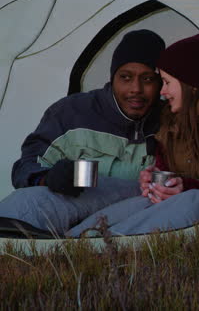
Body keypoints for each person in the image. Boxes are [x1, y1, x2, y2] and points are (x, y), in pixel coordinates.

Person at [66, 33, 199, 237]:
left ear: (190, 83)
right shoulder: (171, 123)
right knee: (142, 201)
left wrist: (186, 187)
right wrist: (153, 179)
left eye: (166, 82)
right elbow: (166, 171)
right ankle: (76, 240)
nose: (162, 91)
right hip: (185, 204)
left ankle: (112, 247)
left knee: (194, 200)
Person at [0, 29, 165, 236]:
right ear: (112, 77)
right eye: (125, 77)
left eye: (148, 79)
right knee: (24, 205)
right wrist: (47, 178)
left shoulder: (172, 121)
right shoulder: (71, 113)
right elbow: (25, 168)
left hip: (136, 222)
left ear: (161, 84)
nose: (135, 89)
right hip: (70, 212)